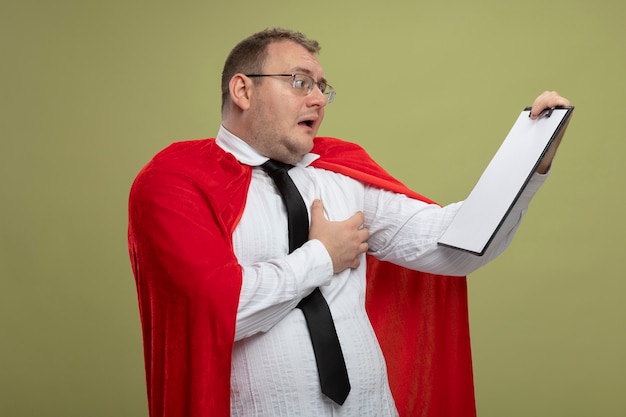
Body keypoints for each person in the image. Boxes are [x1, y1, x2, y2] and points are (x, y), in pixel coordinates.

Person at [127, 28, 572, 417]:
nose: (318, 99)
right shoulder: (174, 181)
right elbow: (216, 311)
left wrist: (529, 162)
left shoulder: (339, 174)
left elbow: (454, 246)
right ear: (243, 91)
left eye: (323, 87)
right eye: (300, 81)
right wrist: (322, 256)